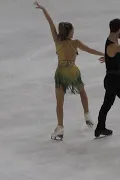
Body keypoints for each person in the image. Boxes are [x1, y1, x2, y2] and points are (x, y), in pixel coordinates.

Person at [34, 1, 105, 140]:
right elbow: (90, 50)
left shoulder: (57, 40)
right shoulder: (75, 43)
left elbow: (50, 23)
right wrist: (105, 54)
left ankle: (60, 128)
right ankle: (88, 116)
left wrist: (43, 10)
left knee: (59, 103)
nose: (74, 32)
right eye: (72, 30)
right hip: (72, 72)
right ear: (69, 32)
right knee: (82, 93)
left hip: (60, 73)